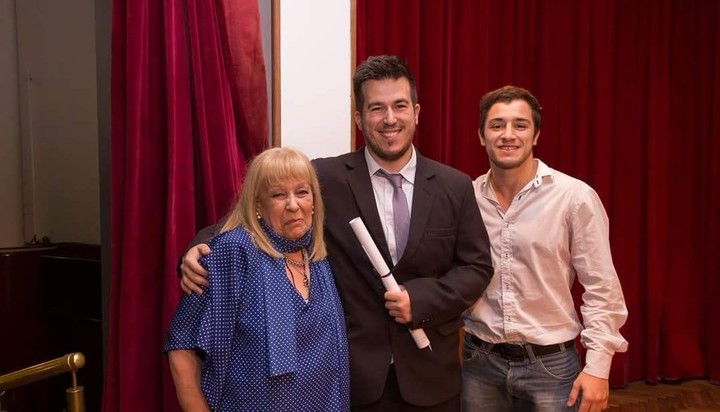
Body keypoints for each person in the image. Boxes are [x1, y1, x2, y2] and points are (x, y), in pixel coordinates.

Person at [180, 55, 494, 411]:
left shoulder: (455, 186)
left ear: (417, 112)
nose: (389, 119)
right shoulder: (326, 179)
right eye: (376, 108)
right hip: (351, 380)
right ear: (360, 118)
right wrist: (199, 245)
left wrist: (419, 299)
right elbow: (256, 215)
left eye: (399, 106)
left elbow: (477, 268)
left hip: (432, 378)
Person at [462, 85, 628, 412]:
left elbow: (601, 287)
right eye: (497, 125)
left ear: (536, 135)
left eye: (520, 125)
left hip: (552, 367)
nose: (508, 135)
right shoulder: (465, 199)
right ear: (481, 136)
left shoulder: (574, 198)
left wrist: (598, 368)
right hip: (480, 362)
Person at [163, 147, 350, 412]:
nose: (293, 205)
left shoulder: (316, 255)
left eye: (302, 192)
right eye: (278, 195)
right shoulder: (234, 253)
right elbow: (181, 348)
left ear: (314, 200)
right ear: (258, 206)